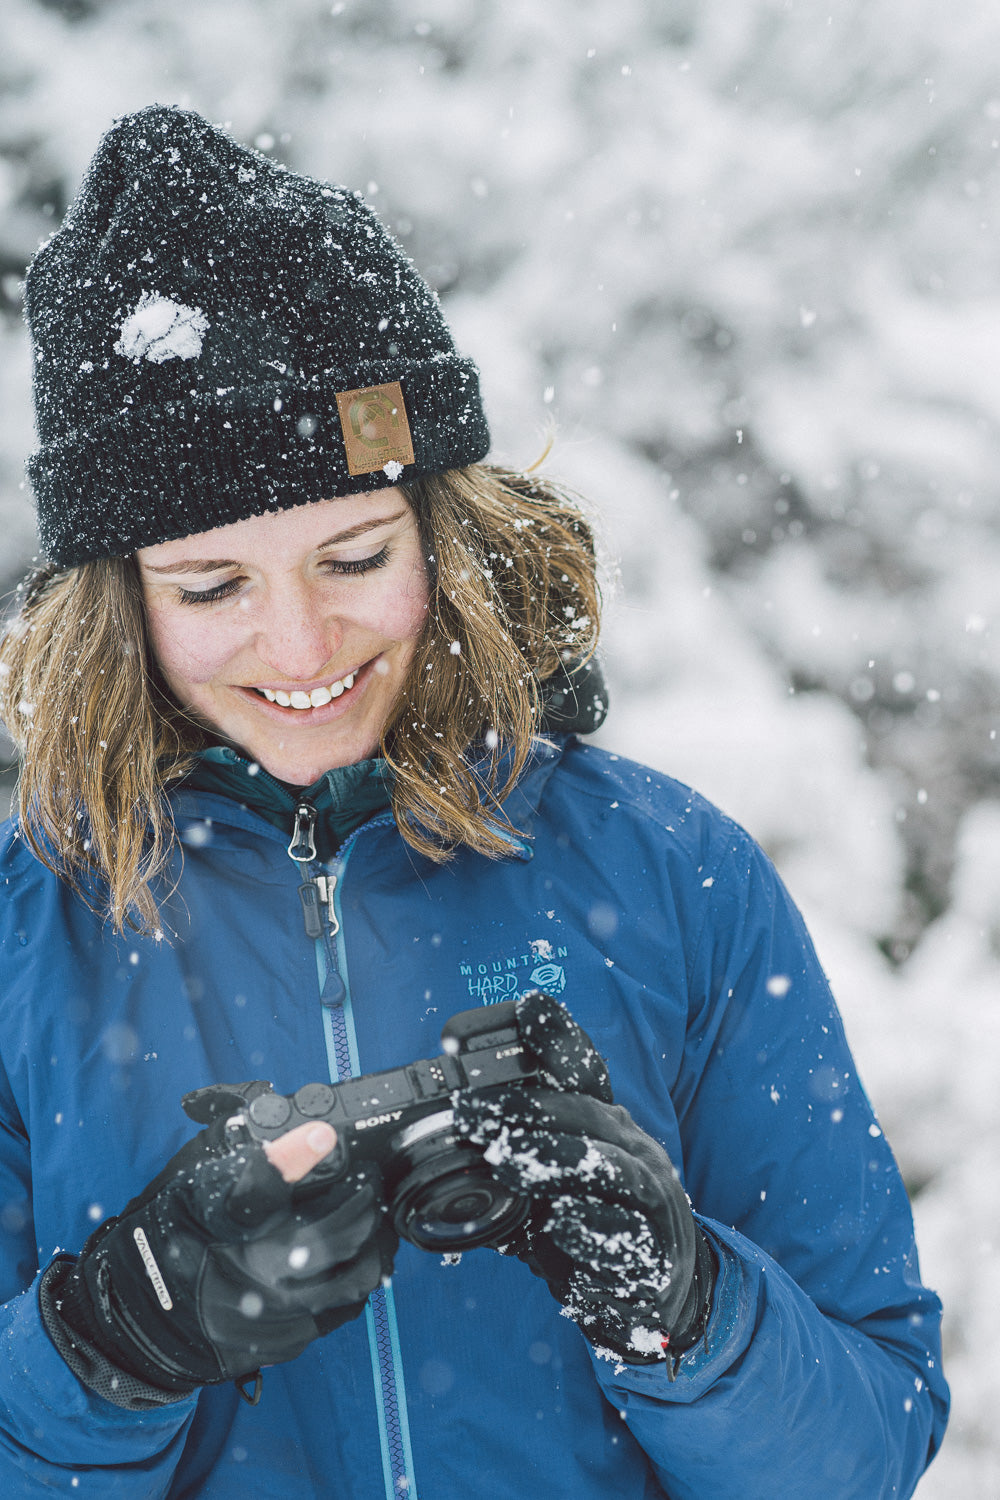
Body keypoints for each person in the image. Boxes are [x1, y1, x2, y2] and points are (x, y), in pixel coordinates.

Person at [0, 105, 947, 1499]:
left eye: (353, 555)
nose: (304, 649)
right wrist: (108, 1342)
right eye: (213, 587)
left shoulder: (674, 873)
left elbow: (867, 1446)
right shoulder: (26, 942)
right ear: (115, 608)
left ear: (442, 532)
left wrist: (680, 1302)